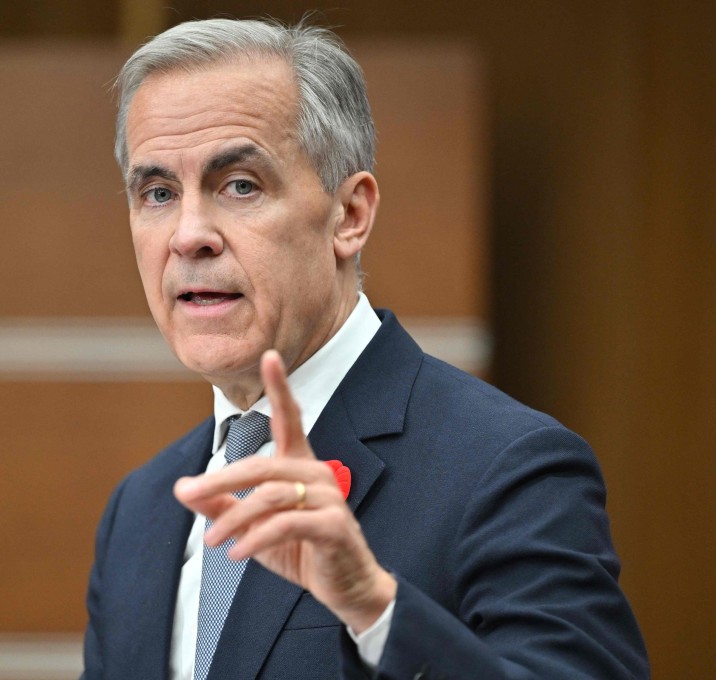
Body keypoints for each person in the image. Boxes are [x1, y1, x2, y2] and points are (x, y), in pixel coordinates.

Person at [81, 17, 649, 680]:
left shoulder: (507, 468)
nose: (188, 236)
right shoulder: (142, 511)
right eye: (158, 194)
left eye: (240, 184)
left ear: (349, 215)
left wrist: (375, 608)